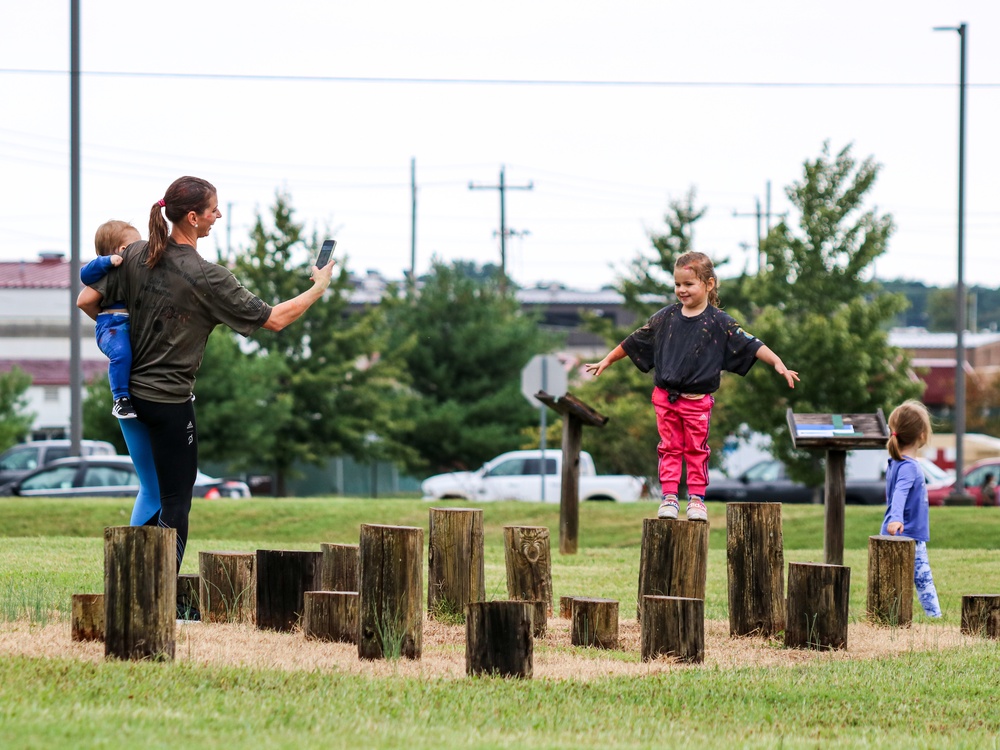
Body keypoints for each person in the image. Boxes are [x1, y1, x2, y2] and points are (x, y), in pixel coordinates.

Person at [78, 176, 335, 567]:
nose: (218, 215)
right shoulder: (209, 277)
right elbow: (276, 319)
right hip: (168, 402)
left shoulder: (134, 255)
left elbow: (88, 299)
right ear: (193, 218)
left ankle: (130, 581)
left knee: (151, 492)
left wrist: (120, 335)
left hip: (130, 397)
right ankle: (159, 597)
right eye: (213, 209)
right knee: (176, 501)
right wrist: (318, 288)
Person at [585, 251, 799, 521]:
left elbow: (752, 344)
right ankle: (669, 498)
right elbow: (633, 341)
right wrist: (607, 360)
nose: (681, 290)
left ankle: (697, 500)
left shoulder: (720, 322)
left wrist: (777, 363)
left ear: (708, 284)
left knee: (696, 449)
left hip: (697, 400)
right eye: (677, 284)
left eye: (689, 284)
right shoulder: (665, 318)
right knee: (669, 447)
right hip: (665, 397)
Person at [81, 220, 162, 524]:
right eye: (132, 247)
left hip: (147, 375)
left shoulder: (135, 273)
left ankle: (149, 555)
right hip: (118, 339)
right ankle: (120, 397)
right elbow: (84, 297)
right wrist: (106, 321)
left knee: (155, 487)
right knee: (153, 487)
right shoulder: (110, 272)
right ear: (117, 251)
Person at [881, 399, 942, 618]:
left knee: (892, 580)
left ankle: (887, 615)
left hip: (897, 532)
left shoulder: (896, 462)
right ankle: (934, 616)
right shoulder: (910, 467)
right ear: (923, 435)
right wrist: (896, 519)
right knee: (923, 578)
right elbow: (899, 495)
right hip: (907, 534)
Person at [81, 220, 142, 419]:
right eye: (138, 246)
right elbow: (85, 274)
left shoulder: (134, 272)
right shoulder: (106, 271)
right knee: (122, 355)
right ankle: (120, 399)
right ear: (124, 249)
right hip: (112, 325)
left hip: (131, 324)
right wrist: (107, 261)